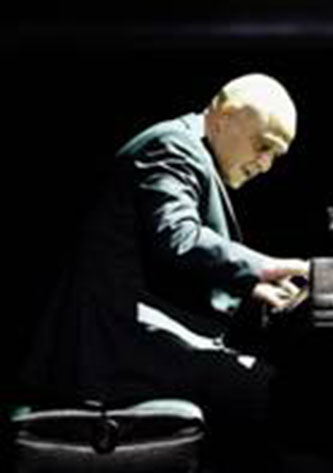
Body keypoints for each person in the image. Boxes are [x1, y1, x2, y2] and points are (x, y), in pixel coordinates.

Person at [18, 73, 310, 472]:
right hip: (112, 349)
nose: (266, 164)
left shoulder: (185, 147)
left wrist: (253, 288)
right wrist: (266, 268)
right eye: (263, 146)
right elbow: (178, 237)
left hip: (127, 337)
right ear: (224, 117)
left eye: (276, 155)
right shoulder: (172, 147)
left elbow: (160, 261)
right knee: (262, 390)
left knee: (256, 388)